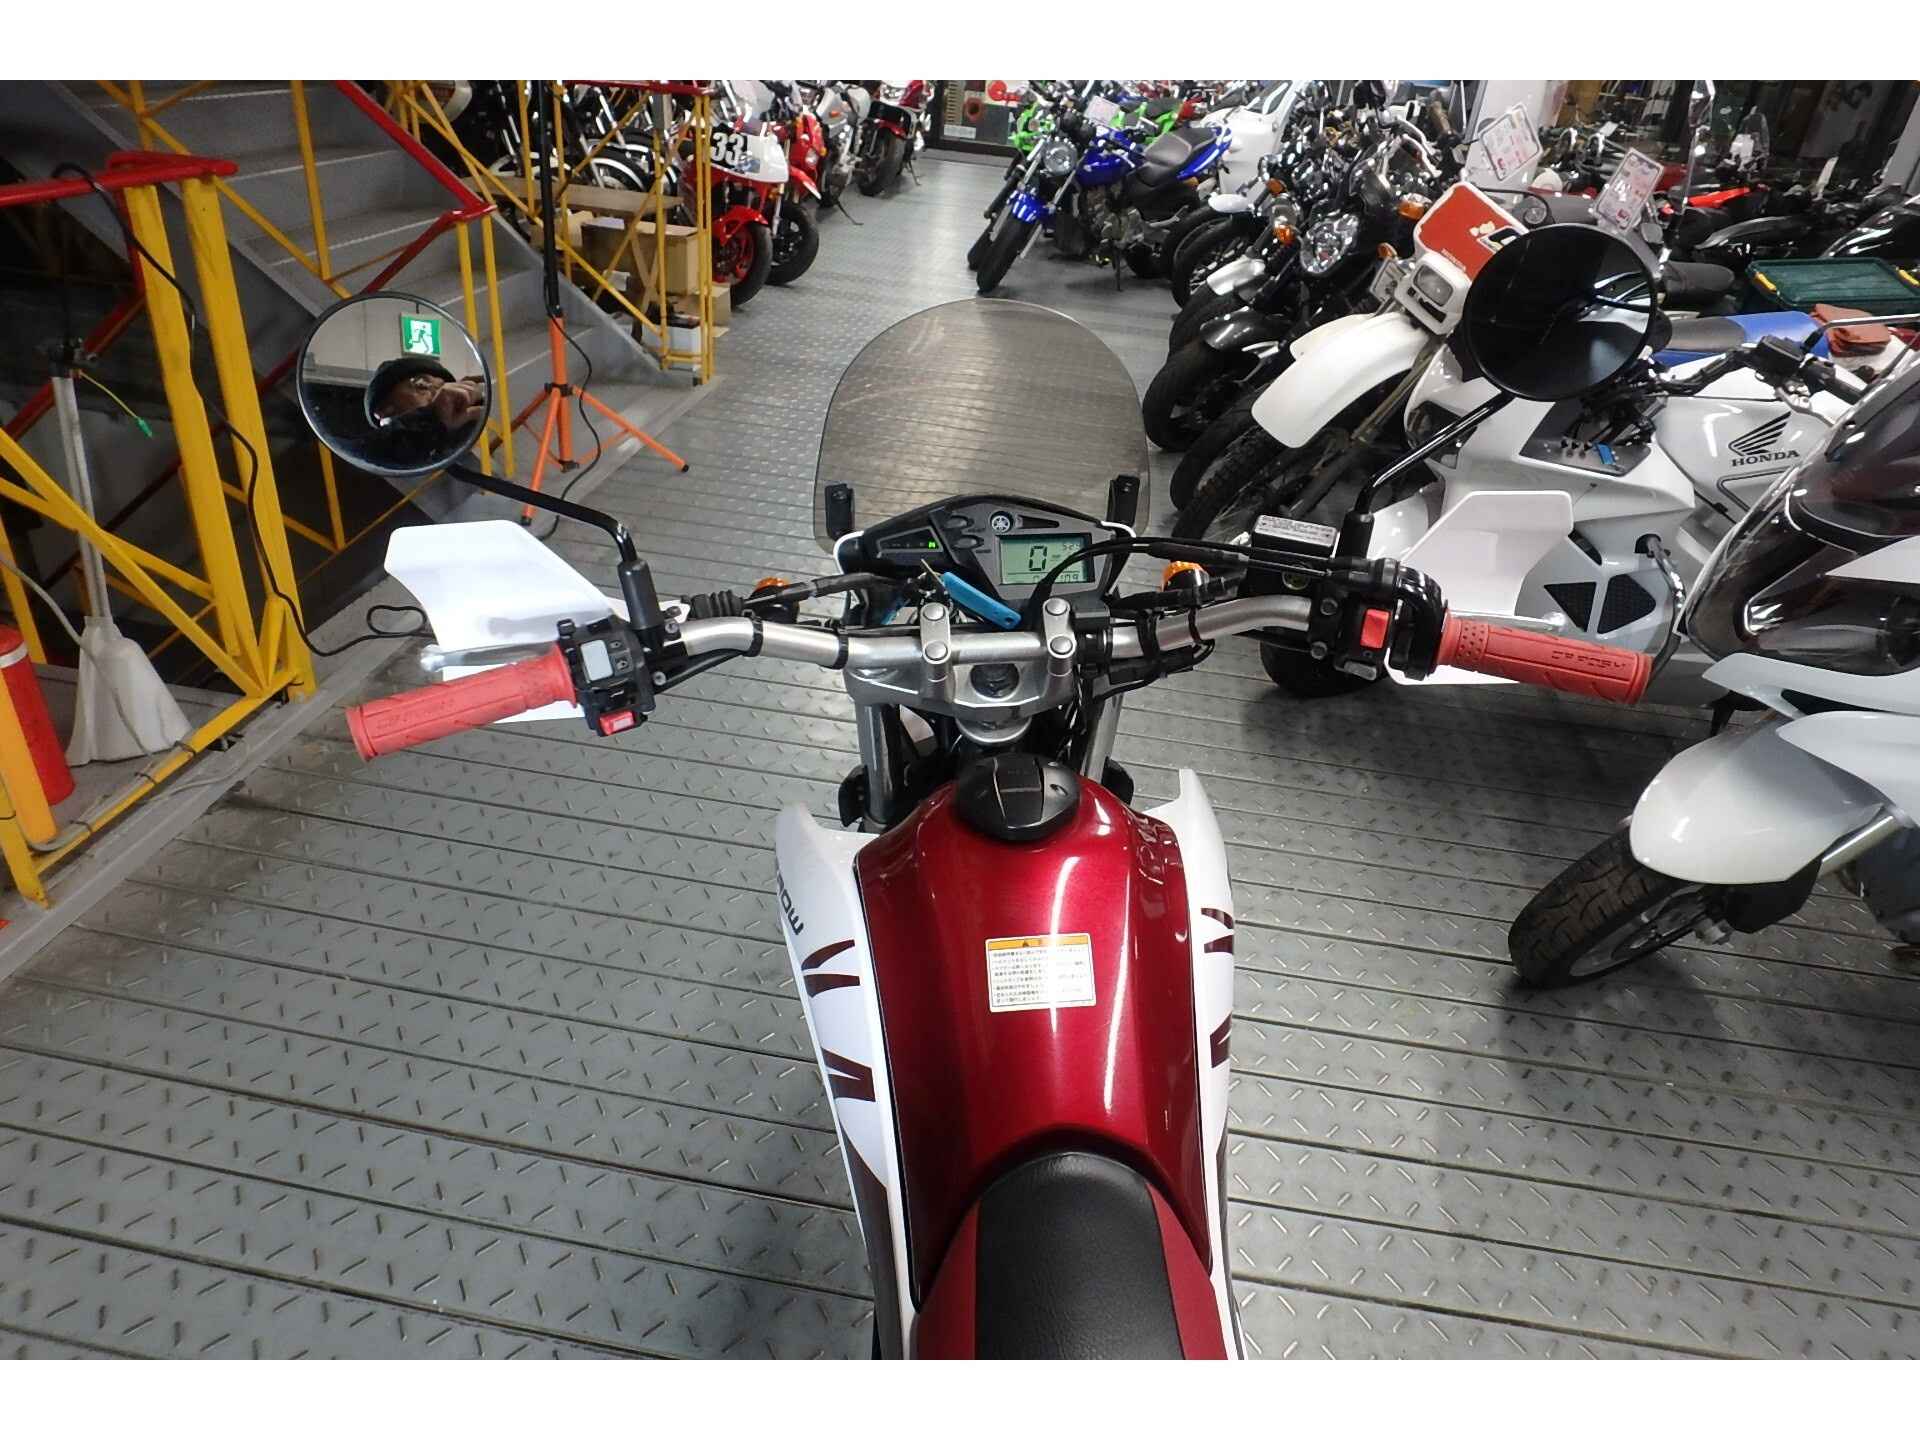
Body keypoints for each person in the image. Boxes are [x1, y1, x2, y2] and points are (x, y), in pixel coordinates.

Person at [354, 355, 489, 472]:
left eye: (443, 386)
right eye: (421, 385)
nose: (441, 394)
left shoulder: (466, 447)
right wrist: (431, 419)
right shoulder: (379, 459)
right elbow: (372, 450)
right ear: (384, 413)